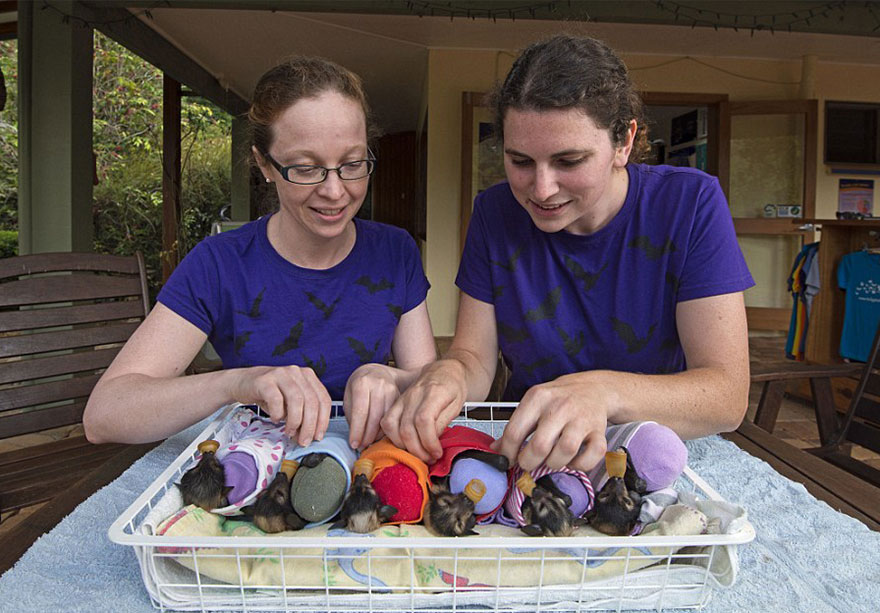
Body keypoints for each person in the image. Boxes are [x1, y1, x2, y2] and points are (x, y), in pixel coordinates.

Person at [380, 35, 753, 475]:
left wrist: (602, 393)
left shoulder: (689, 204)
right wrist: (450, 376)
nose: (541, 190)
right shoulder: (495, 213)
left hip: (650, 449)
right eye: (520, 161)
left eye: (569, 161)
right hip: (533, 449)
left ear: (624, 142)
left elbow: (726, 396)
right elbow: (475, 360)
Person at [84, 56, 436, 449]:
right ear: (264, 164)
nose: (336, 191)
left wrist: (391, 377)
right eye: (306, 168)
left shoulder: (395, 251)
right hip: (256, 473)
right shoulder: (219, 264)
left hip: (369, 466)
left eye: (352, 164)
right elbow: (105, 414)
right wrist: (238, 383)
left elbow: (428, 381)